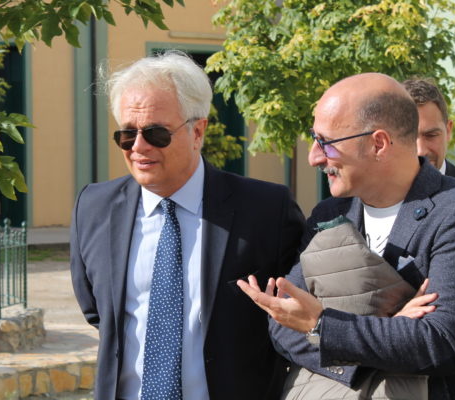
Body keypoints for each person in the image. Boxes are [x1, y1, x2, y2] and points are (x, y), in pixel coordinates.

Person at [70, 51, 306, 400]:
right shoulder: (93, 208)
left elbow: (298, 314)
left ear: (198, 131)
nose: (138, 147)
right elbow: (98, 311)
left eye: (156, 133)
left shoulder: (266, 210)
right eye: (127, 134)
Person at [237, 72, 455, 399]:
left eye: (326, 142)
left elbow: (440, 342)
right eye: (314, 139)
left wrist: (321, 326)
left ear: (378, 144)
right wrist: (387, 334)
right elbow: (283, 325)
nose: (314, 157)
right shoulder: (328, 214)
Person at [403, 78, 455, 181]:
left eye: (431, 135)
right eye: (409, 137)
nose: (421, 151)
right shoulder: (377, 188)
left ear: (448, 131)